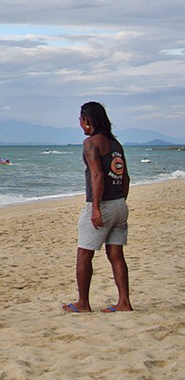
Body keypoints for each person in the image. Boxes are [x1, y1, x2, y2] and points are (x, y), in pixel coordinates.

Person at [64, 101, 132, 313]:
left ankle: (83, 303)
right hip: (120, 204)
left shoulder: (91, 143)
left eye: (81, 118)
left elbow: (97, 175)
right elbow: (126, 177)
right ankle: (124, 302)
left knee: (84, 254)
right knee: (116, 255)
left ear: (87, 121)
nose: (79, 122)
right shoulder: (115, 144)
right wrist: (120, 201)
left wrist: (96, 208)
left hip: (103, 205)